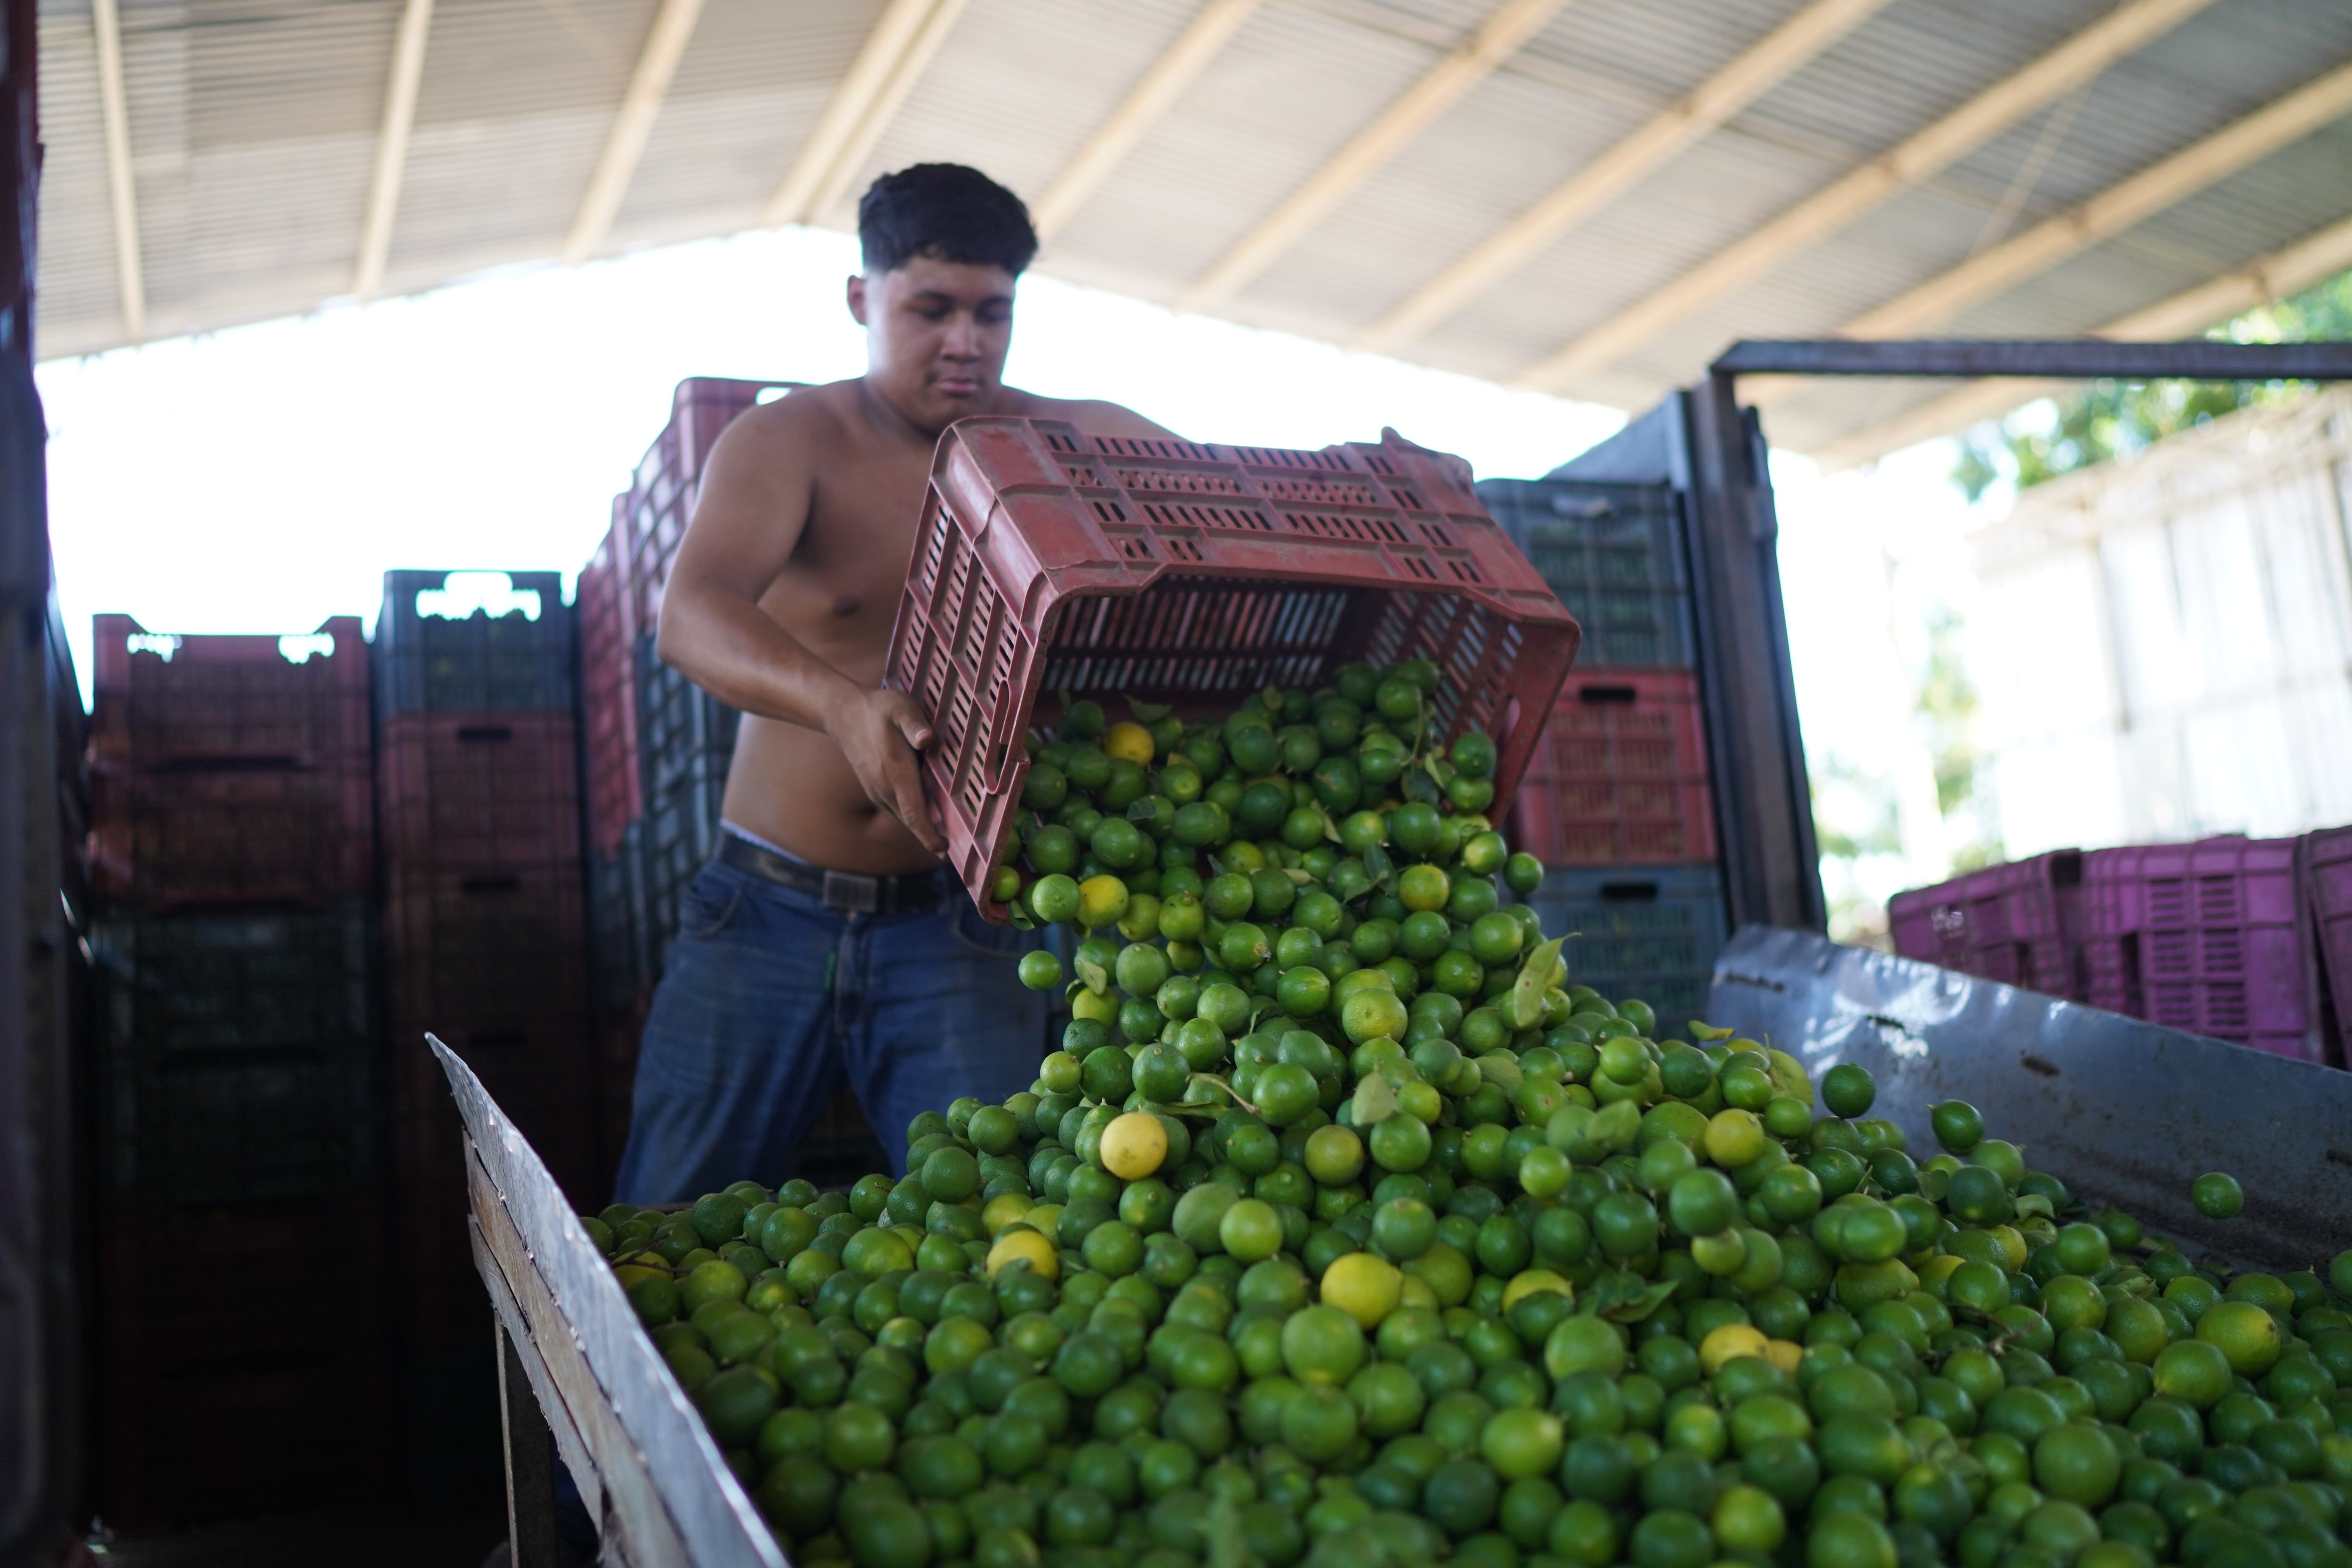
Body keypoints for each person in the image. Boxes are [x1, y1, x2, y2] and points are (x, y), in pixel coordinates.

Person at [612, 164, 1180, 1202]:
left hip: (960, 920)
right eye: (931, 308)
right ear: (860, 300)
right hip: (765, 910)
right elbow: (689, 617)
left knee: (996, 1224)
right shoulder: (791, 442)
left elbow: (1242, 513)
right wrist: (840, 701)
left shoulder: (1074, 444)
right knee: (667, 1223)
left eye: (991, 312)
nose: (964, 339)